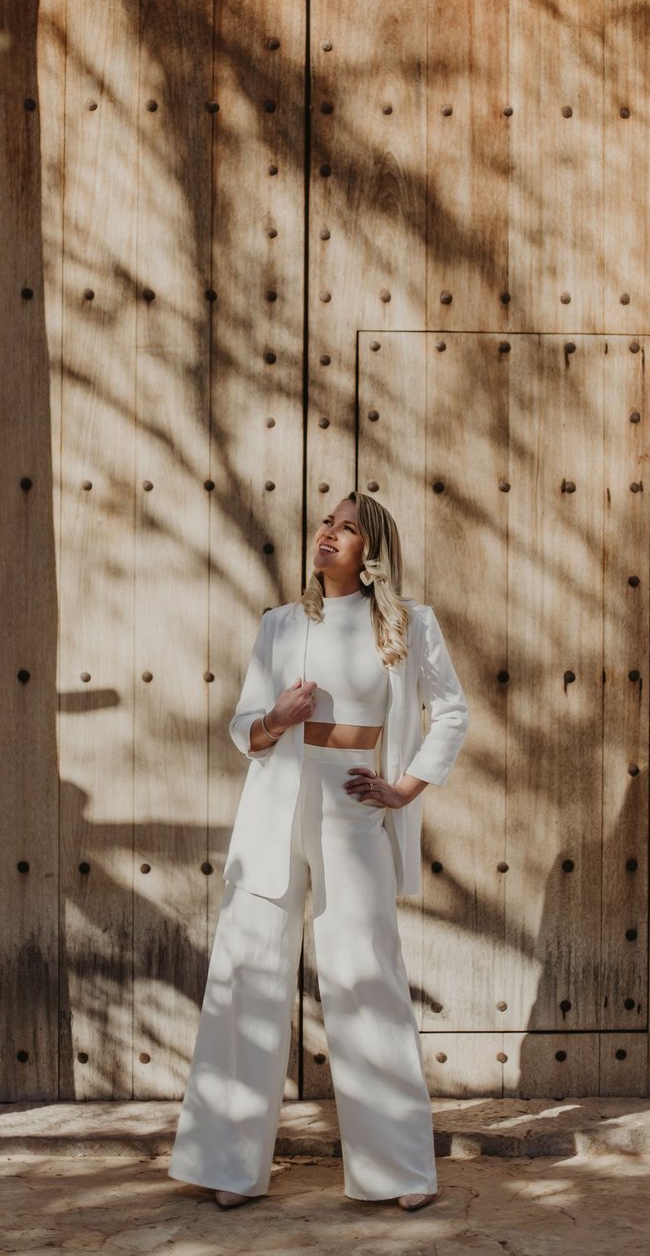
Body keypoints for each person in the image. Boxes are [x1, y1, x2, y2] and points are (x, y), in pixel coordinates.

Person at [168, 489, 469, 1210]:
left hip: (352, 805)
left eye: (348, 528)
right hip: (275, 805)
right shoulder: (279, 624)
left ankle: (396, 1171)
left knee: (366, 979)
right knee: (247, 976)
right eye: (327, 523)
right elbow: (245, 726)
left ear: (373, 553)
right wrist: (275, 718)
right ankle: (229, 1166)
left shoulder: (409, 624)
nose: (329, 534)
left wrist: (406, 787)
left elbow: (452, 709)